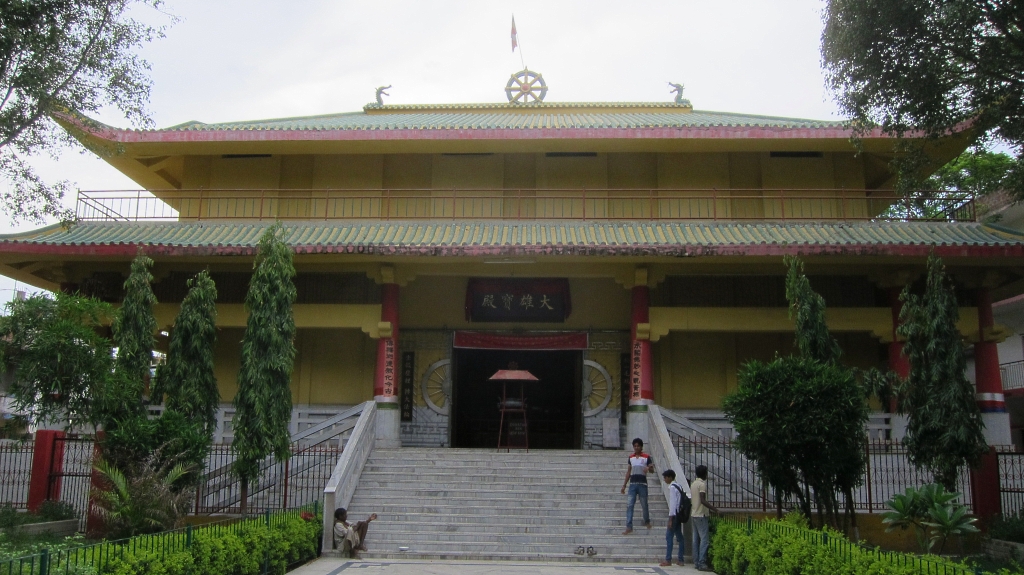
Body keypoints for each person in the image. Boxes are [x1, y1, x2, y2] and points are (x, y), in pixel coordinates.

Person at [620, 437, 654, 535]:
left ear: (641, 447)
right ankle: (629, 526)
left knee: (644, 504)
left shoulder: (646, 457)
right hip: (633, 484)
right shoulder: (631, 458)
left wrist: (649, 468)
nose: (636, 448)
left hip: (642, 484)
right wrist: (624, 485)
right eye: (635, 446)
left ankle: (646, 521)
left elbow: (652, 470)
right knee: (630, 505)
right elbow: (628, 472)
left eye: (638, 446)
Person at [691, 465, 719, 571]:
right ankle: (702, 563)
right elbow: (702, 500)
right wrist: (715, 510)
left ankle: (696, 561)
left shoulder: (693, 484)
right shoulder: (702, 484)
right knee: (704, 539)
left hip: (694, 514)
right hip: (701, 514)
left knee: (695, 539)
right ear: (704, 474)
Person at [660, 469, 686, 567]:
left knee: (669, 536)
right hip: (679, 515)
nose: (665, 479)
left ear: (670, 477)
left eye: (665, 477)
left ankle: (668, 559)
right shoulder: (679, 486)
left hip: (674, 516)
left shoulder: (672, 488)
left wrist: (670, 519)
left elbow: (673, 504)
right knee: (680, 537)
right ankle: (680, 559)